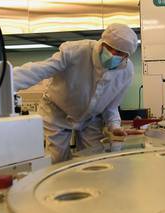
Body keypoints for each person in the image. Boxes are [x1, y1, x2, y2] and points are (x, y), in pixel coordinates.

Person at [14, 23, 141, 163]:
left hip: (90, 119)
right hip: (57, 113)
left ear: (126, 56)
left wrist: (114, 126)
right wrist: (4, 83)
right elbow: (39, 70)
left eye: (119, 53)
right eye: (110, 49)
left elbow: (111, 107)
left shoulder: (126, 72)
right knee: (57, 159)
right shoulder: (76, 51)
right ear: (103, 43)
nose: (112, 55)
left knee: (95, 160)